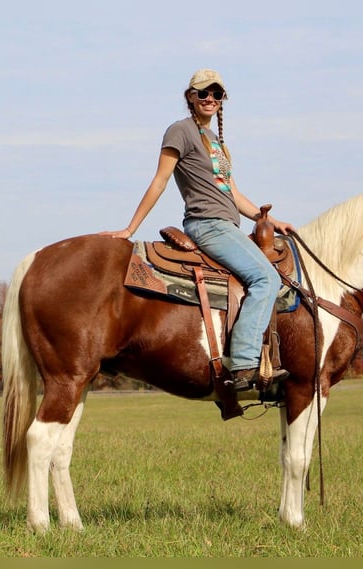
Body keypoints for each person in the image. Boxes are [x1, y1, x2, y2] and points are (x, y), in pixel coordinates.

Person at [101, 69, 293, 392]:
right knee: (266, 278)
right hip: (207, 225)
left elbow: (234, 193)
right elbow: (160, 181)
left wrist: (270, 220)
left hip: (227, 225)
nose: (210, 99)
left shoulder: (217, 144)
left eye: (216, 94)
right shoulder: (180, 132)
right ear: (190, 96)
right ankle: (245, 363)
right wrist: (130, 228)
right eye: (203, 93)